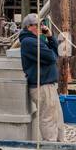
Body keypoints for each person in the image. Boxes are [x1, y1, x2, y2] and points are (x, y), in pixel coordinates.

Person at [18, 13, 64, 143]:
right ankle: (50, 145)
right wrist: (51, 52)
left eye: (41, 24)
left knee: (57, 117)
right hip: (42, 85)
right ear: (28, 27)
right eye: (37, 25)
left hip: (48, 85)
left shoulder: (37, 40)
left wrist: (50, 37)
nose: (41, 27)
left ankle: (60, 144)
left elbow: (56, 54)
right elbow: (51, 57)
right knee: (48, 118)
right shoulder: (29, 42)